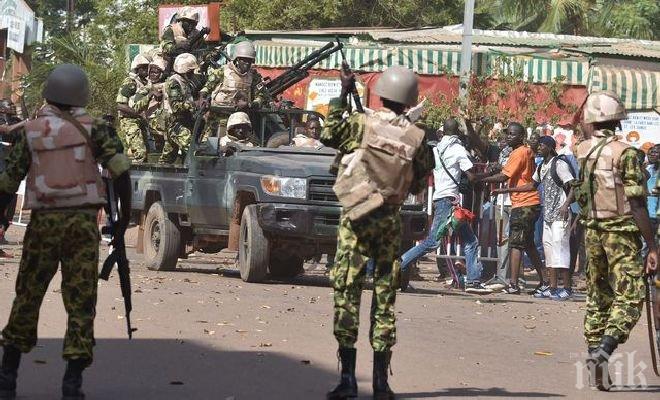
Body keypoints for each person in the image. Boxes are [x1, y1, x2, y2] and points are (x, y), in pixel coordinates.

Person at [0, 64, 132, 400]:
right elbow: (121, 174)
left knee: (28, 295)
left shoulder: (29, 131)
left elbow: (6, 183)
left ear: (48, 94)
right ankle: (72, 384)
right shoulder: (97, 128)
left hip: (43, 223)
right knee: (81, 300)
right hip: (81, 225)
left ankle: (7, 377)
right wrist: (120, 224)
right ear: (82, 94)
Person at [321, 65, 433, 400]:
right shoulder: (417, 137)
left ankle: (348, 380)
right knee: (385, 297)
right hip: (389, 221)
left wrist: (344, 92)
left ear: (382, 93)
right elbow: (419, 179)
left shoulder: (361, 124)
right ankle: (381, 384)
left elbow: (328, 133)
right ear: (410, 100)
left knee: (347, 293)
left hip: (356, 217)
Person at [574, 91, 657, 391]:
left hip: (592, 232)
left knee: (598, 297)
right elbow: (637, 205)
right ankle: (604, 350)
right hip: (620, 233)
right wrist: (653, 246)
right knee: (631, 294)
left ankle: (597, 361)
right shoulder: (627, 153)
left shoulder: (581, 151)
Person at [400, 117, 490, 294]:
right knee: (432, 242)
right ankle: (400, 263)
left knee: (471, 241)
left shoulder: (436, 149)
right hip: (448, 202)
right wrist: (492, 173)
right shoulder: (458, 149)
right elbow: (471, 177)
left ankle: (472, 281)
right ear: (457, 132)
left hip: (443, 200)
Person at [494, 135, 576, 299]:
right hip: (548, 215)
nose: (538, 148)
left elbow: (573, 186)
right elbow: (532, 185)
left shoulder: (559, 164)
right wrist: (506, 191)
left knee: (561, 250)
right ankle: (551, 288)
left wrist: (566, 205)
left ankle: (566, 288)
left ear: (550, 147)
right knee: (549, 251)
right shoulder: (541, 166)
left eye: (541, 146)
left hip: (560, 215)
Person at [479, 122, 545, 295]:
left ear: (521, 136)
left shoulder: (519, 152)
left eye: (512, 134)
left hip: (524, 203)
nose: (508, 136)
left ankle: (513, 284)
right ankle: (544, 281)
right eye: (507, 133)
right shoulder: (525, 151)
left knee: (515, 244)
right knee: (529, 244)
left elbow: (504, 176)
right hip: (527, 202)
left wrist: (479, 179)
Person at [200, 41, 266, 137]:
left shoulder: (254, 76)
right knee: (209, 145)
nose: (247, 64)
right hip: (217, 115)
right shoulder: (222, 71)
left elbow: (261, 95)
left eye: (250, 61)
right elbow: (207, 87)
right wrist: (203, 98)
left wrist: (251, 104)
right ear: (237, 59)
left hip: (239, 118)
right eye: (244, 60)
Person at [160, 53, 197, 164]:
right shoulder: (174, 82)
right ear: (185, 71)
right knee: (191, 149)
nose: (193, 74)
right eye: (191, 71)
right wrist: (193, 104)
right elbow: (175, 106)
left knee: (168, 157)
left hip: (181, 122)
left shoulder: (185, 82)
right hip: (174, 123)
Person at [116, 53, 150, 161]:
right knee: (140, 153)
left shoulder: (145, 82)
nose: (146, 70)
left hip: (139, 119)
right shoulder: (131, 82)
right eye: (143, 67)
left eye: (147, 67)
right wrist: (138, 114)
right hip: (129, 120)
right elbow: (121, 106)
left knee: (147, 152)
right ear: (137, 68)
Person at [133, 56, 168, 153]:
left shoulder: (169, 85)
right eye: (151, 72)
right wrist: (150, 94)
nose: (153, 75)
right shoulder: (145, 88)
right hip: (151, 126)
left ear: (162, 74)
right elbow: (136, 106)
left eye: (156, 72)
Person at [159, 6, 208, 72]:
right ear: (181, 20)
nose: (192, 25)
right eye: (189, 22)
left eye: (194, 23)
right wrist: (179, 46)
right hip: (170, 67)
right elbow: (166, 48)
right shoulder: (171, 30)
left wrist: (210, 55)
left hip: (190, 69)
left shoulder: (197, 33)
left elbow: (204, 50)